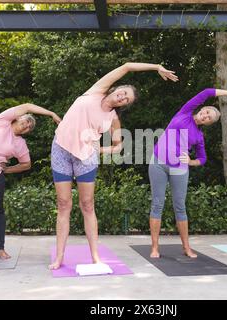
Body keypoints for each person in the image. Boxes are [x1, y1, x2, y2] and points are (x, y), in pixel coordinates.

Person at [49, 62, 179, 270]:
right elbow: (127, 66)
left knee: (87, 205)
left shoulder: (113, 119)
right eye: (124, 92)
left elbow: (118, 147)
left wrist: (100, 150)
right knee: (64, 204)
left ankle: (95, 257)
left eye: (127, 99)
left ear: (123, 104)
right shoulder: (95, 91)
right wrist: (156, 67)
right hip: (61, 150)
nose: (123, 97)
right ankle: (59, 257)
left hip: (86, 158)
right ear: (117, 88)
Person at [149, 88, 227, 258]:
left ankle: (186, 247)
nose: (206, 116)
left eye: (210, 118)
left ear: (208, 123)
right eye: (207, 112)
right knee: (157, 204)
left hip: (179, 169)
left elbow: (202, 158)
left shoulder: (199, 136)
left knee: (180, 206)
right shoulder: (185, 112)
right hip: (158, 163)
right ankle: (155, 248)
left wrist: (191, 161)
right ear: (202, 109)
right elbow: (207, 92)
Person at [0, 104, 61, 260]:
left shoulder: (19, 144)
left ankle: (0, 249)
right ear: (18, 117)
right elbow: (27, 106)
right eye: (27, 121)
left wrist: (8, 170)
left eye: (29, 127)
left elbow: (26, 164)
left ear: (27, 132)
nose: (27, 125)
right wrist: (51, 113)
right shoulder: (2, 121)